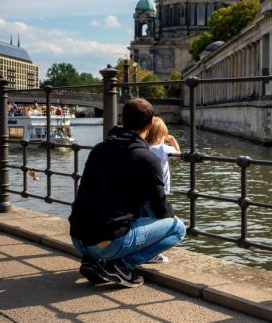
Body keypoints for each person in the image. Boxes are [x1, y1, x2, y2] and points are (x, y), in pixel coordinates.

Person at [69, 98, 186, 288]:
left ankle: (94, 260)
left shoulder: (99, 150)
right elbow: (160, 208)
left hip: (78, 238)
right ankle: (122, 266)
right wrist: (172, 215)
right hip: (106, 243)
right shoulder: (147, 159)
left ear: (122, 120)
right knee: (177, 227)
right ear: (150, 124)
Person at [145, 117, 181, 195]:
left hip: (145, 190)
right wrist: (172, 139)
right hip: (161, 190)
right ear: (158, 137)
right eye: (164, 136)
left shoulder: (143, 147)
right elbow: (179, 155)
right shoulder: (163, 148)